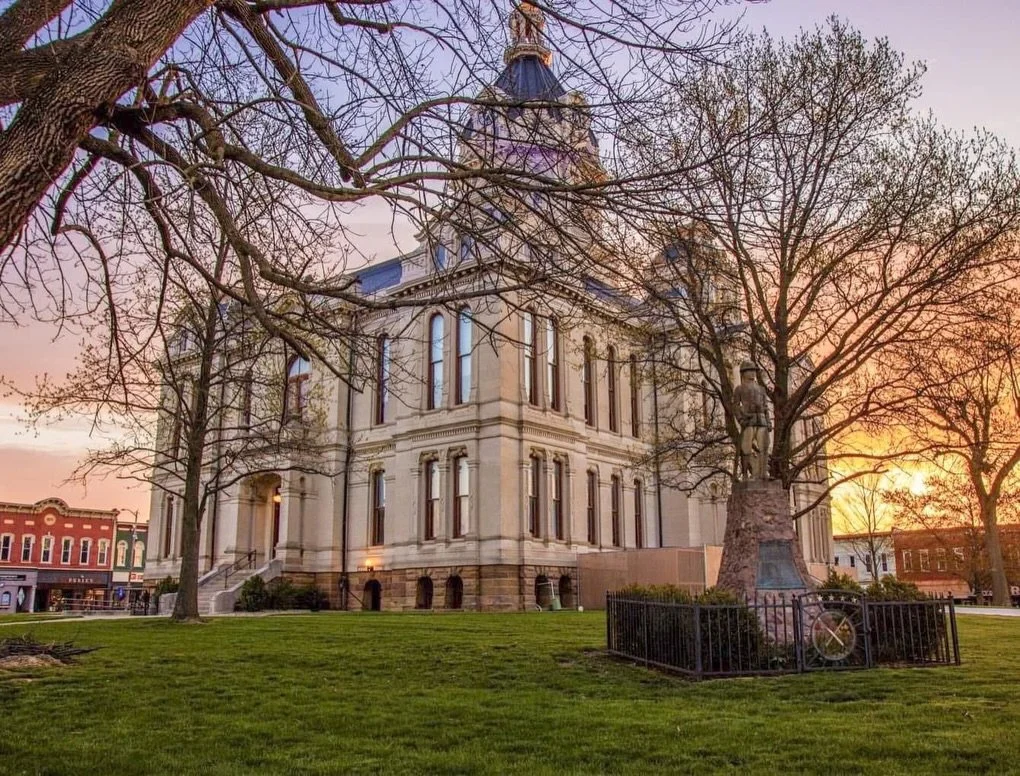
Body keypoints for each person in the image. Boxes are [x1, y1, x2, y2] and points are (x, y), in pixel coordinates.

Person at [733, 361, 770, 479]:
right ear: (743, 373)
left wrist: (768, 421)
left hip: (761, 420)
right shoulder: (739, 389)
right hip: (748, 421)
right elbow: (735, 406)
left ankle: (764, 473)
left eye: (754, 370)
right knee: (746, 449)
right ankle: (745, 474)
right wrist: (740, 419)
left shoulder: (761, 389)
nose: (753, 373)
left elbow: (765, 407)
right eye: (750, 370)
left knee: (764, 448)